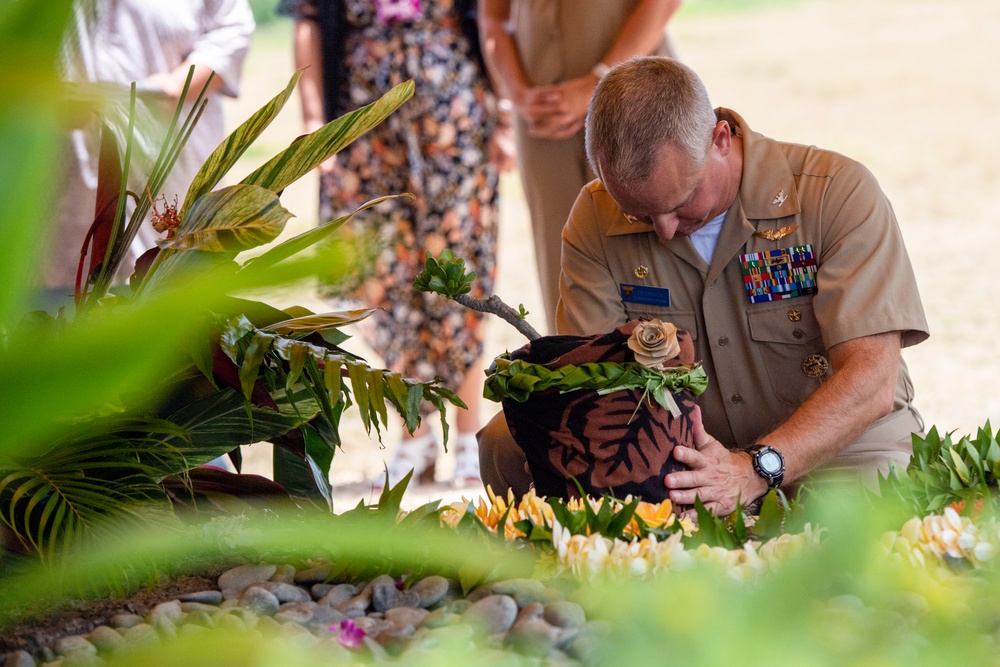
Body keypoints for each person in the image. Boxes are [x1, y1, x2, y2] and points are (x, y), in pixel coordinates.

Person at [480, 56, 929, 516]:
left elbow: (871, 379)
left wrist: (753, 468)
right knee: (505, 442)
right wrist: (659, 478)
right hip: (682, 452)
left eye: (682, 202)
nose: (665, 231)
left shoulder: (834, 193)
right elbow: (597, 390)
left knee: (849, 550)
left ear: (720, 139)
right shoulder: (596, 216)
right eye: (640, 214)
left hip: (842, 448)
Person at [279, 0, 512, 488]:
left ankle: (468, 434)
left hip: (455, 121)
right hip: (364, 128)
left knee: (458, 270)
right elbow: (308, 19)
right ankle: (415, 433)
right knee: (385, 278)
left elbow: (493, 18)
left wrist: (506, 120)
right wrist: (312, 118)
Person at [477, 0, 682, 333]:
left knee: (658, 255)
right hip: (540, 120)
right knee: (563, 271)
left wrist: (599, 81)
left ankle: (675, 378)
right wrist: (516, 94)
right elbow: (494, 16)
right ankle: (581, 381)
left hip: (638, 96)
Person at [42, 0, 255, 299]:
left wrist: (178, 84)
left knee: (171, 293)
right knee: (64, 299)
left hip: (170, 150)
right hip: (67, 169)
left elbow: (232, 27)